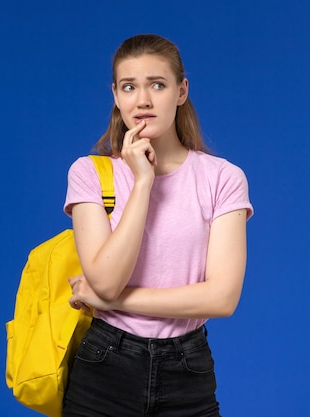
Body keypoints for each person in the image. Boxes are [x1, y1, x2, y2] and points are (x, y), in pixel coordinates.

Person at [62, 34, 253, 417]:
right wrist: (143, 182)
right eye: (129, 87)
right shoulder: (90, 174)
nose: (143, 100)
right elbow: (106, 281)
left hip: (188, 368)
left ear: (181, 91)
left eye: (158, 85)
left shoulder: (223, 178)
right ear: (116, 95)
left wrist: (113, 302)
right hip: (104, 365)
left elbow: (222, 299)